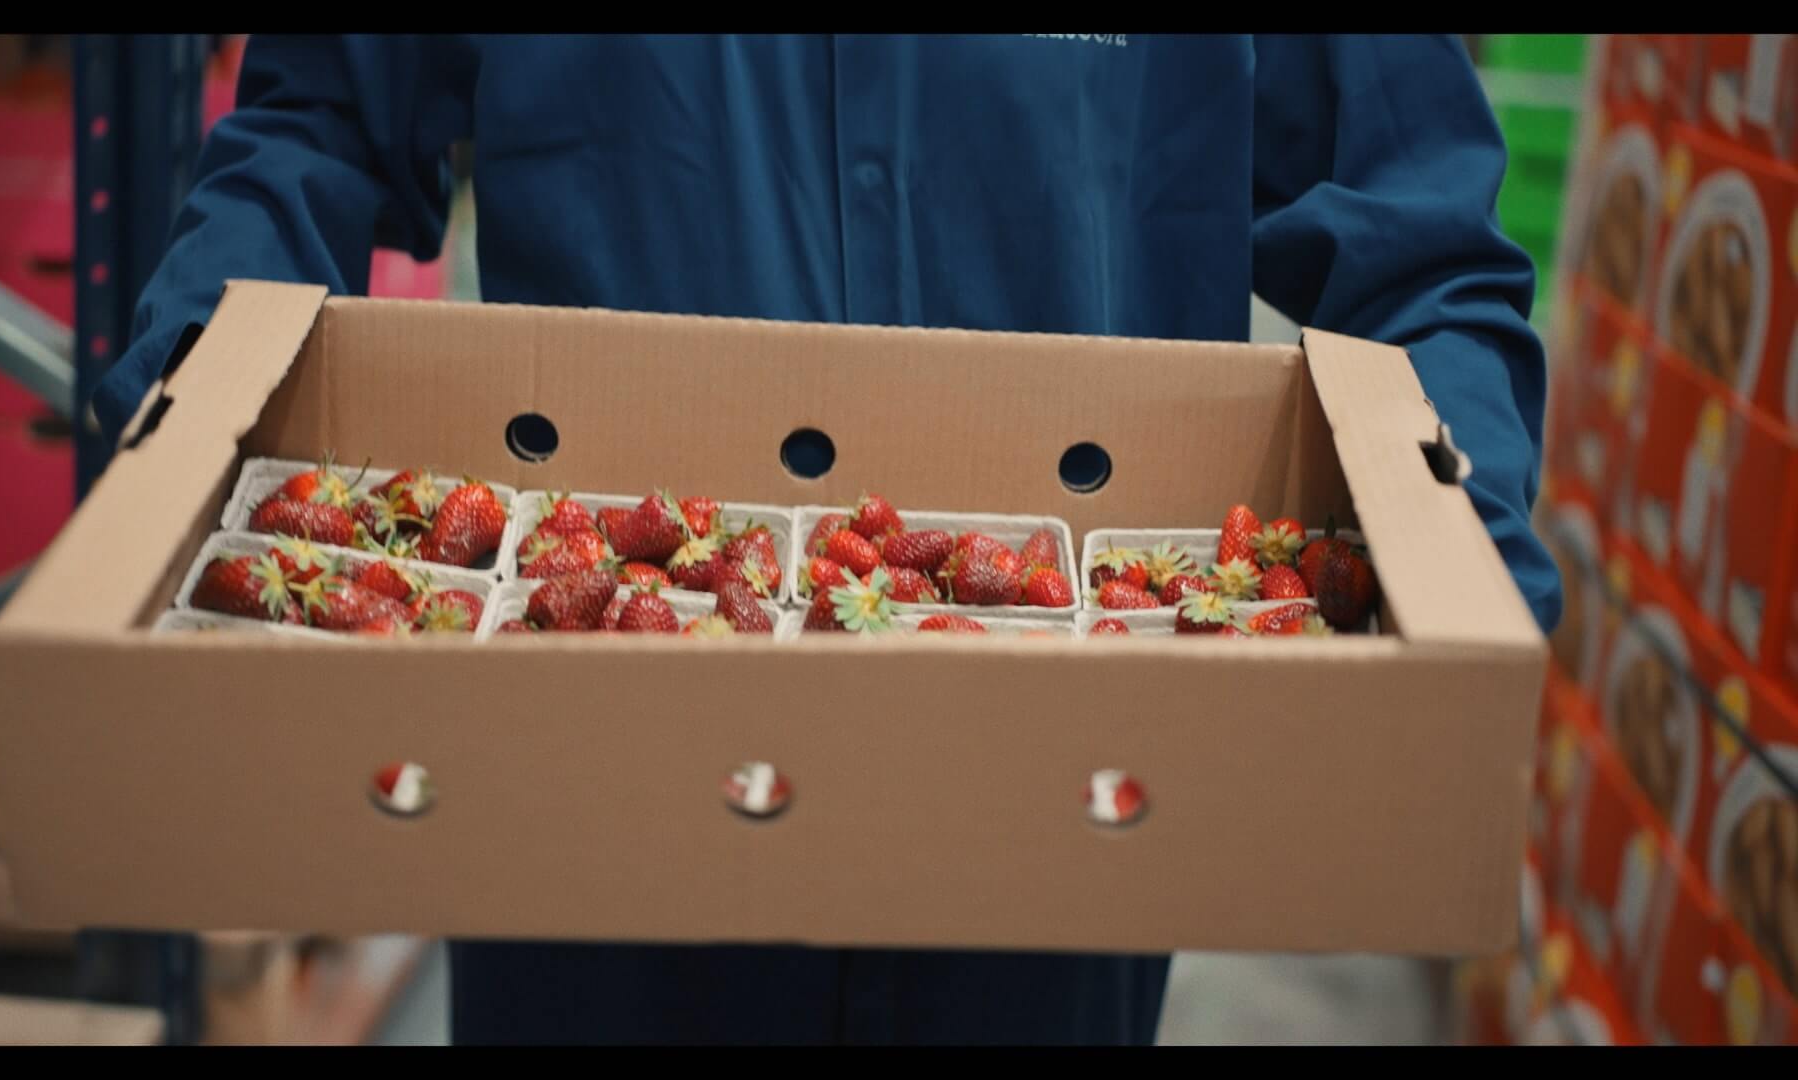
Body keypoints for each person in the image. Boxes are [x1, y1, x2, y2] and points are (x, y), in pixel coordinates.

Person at [93, 34, 1562, 1045]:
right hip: (598, 793)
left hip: (1056, 816)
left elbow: (1419, 240)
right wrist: (189, 403)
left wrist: (1456, 542)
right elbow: (319, 127)